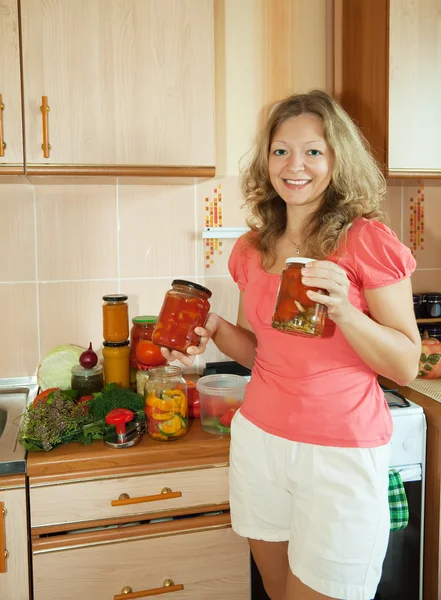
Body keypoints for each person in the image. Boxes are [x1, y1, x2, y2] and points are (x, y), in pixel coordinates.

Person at [160, 89, 421, 600]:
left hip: (339, 451)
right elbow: (259, 352)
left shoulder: (367, 241)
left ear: (336, 159)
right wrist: (212, 327)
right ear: (266, 160)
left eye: (313, 151)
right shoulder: (252, 249)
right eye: (281, 150)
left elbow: (407, 363)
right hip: (260, 442)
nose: (294, 165)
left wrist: (345, 310)